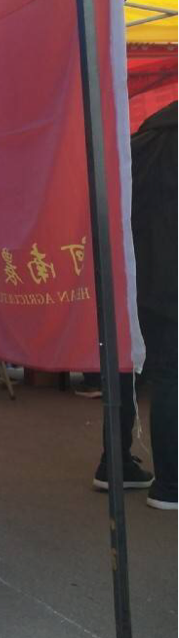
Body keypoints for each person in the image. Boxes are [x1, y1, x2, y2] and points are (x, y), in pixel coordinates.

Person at [131, 102, 177, 510]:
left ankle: (166, 482)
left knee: (162, 375)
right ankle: (172, 485)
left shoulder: (146, 136)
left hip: (147, 278)